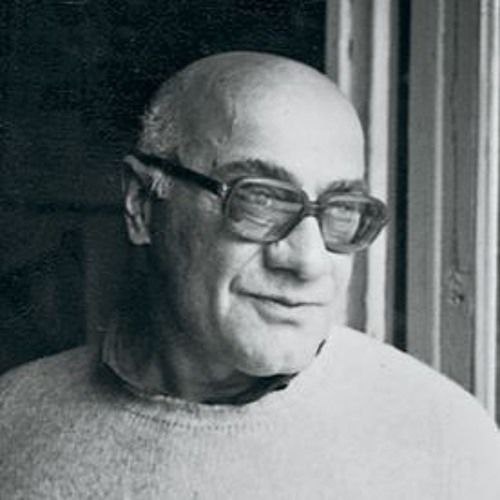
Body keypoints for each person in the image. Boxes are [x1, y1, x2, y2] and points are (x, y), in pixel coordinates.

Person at [0, 51, 499, 499]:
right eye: (259, 199)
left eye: (343, 208)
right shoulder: (13, 418)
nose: (307, 262)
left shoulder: (446, 440)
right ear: (142, 205)